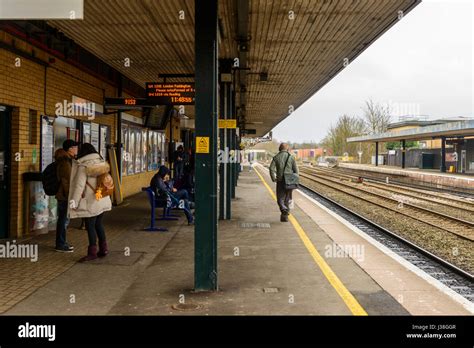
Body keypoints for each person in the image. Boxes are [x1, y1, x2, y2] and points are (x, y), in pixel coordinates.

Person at [68, 143, 112, 262]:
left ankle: (92, 252)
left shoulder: (83, 166)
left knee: (90, 226)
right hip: (101, 199)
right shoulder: (102, 162)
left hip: (90, 201)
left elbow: (79, 186)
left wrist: (74, 202)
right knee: (99, 224)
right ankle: (104, 249)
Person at [55, 139, 78, 252]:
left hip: (64, 195)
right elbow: (67, 181)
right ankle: (60, 244)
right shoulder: (65, 162)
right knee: (63, 220)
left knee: (64, 219)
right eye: (75, 147)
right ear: (70, 149)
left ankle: (62, 242)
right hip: (64, 195)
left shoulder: (68, 160)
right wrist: (71, 196)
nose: (76, 149)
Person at [269, 143, 298, 222]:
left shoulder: (276, 157)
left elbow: (271, 169)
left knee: (280, 199)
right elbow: (296, 171)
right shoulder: (291, 157)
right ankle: (285, 216)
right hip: (289, 181)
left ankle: (284, 209)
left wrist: (273, 178)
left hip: (280, 181)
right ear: (287, 148)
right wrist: (294, 180)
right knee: (287, 199)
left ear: (280, 148)